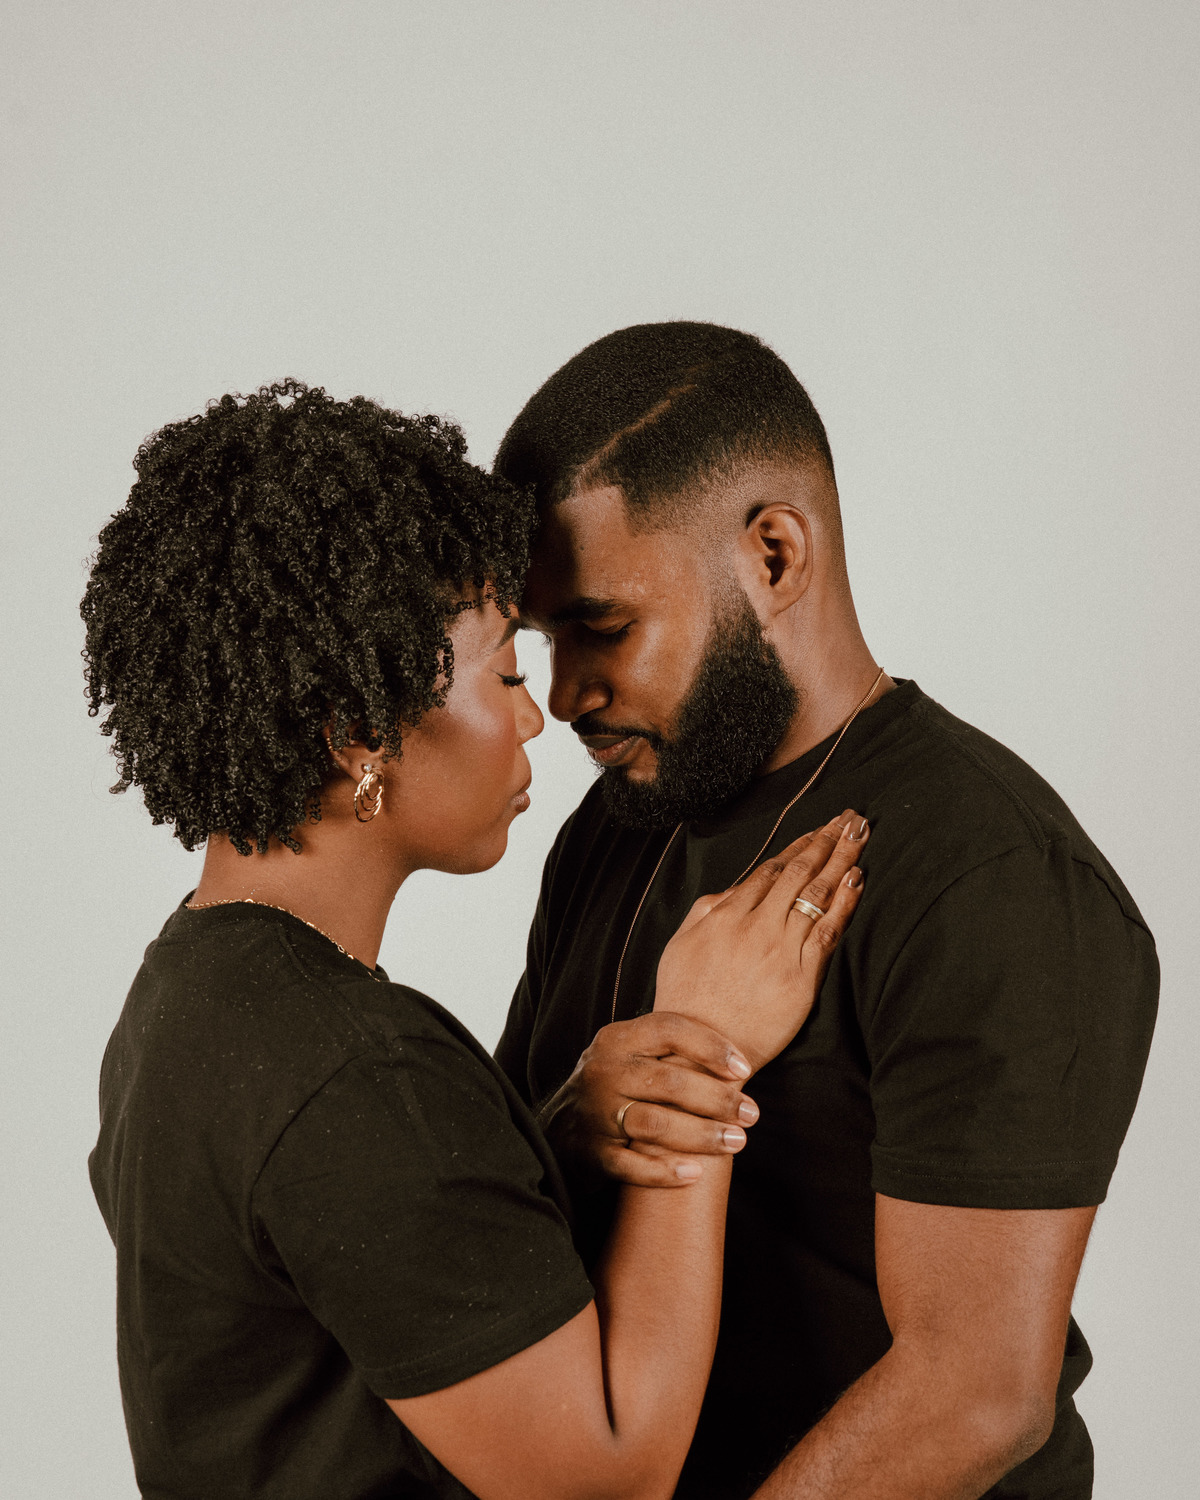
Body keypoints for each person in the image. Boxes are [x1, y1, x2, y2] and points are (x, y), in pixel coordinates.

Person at [81, 380, 869, 1500]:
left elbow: (360, 1296)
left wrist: (549, 1139)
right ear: (362, 733)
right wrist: (701, 1054)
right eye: (504, 670)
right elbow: (610, 1476)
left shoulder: (188, 987)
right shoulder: (357, 1073)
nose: (538, 713)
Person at [492, 322, 1160, 1500]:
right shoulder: (617, 825)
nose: (565, 694)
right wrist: (576, 1120)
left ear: (775, 555)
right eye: (544, 641)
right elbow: (509, 1221)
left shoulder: (988, 870)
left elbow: (977, 1393)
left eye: (603, 628)